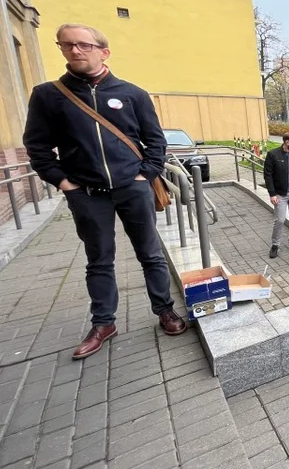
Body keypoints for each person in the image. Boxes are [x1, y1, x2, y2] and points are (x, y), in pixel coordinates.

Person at [23, 23, 187, 359]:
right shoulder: (48, 95)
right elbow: (37, 147)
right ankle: (104, 322)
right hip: (86, 192)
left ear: (103, 51)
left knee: (151, 253)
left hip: (132, 188)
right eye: (67, 45)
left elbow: (155, 141)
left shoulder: (131, 94)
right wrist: (64, 183)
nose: (76, 51)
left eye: (84, 45)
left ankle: (164, 310)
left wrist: (145, 176)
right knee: (98, 260)